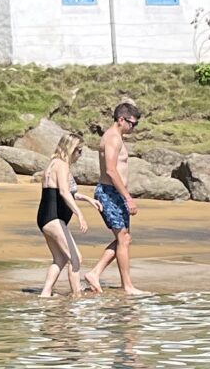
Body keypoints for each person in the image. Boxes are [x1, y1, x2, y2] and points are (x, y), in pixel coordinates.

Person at [89, 99, 144, 297]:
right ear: (121, 119)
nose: (133, 128)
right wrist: (128, 198)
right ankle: (127, 286)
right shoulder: (113, 138)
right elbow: (111, 170)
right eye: (132, 123)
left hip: (115, 193)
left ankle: (95, 273)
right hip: (110, 193)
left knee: (124, 239)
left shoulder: (116, 137)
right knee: (123, 239)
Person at [35, 131, 92, 299]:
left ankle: (45, 294)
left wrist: (89, 199)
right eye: (79, 151)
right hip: (53, 218)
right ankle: (77, 297)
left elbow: (61, 192)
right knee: (75, 258)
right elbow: (64, 193)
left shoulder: (52, 163)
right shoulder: (62, 165)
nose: (80, 155)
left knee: (60, 259)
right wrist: (79, 214)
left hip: (45, 217)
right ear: (71, 149)